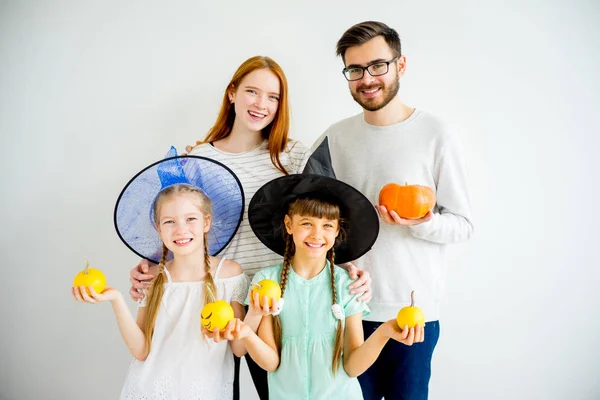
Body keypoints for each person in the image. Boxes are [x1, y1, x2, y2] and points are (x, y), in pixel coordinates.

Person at [128, 56, 374, 399]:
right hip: (216, 296)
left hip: (273, 302)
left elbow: (321, 217)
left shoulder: (292, 156)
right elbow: (181, 219)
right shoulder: (199, 157)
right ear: (232, 93)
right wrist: (154, 262)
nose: (261, 104)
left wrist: (347, 268)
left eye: (273, 97)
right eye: (252, 92)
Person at [306, 21, 474, 399]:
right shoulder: (335, 136)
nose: (367, 78)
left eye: (378, 65)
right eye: (354, 70)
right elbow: (307, 211)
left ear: (400, 65)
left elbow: (463, 224)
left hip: (411, 312)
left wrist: (422, 223)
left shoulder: (435, 133)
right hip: (346, 312)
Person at [209, 174, 424, 399]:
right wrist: (247, 334)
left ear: (337, 230)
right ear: (288, 224)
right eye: (306, 223)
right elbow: (271, 363)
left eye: (327, 225)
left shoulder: (347, 285)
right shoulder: (266, 282)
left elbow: (353, 367)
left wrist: (384, 332)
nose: (317, 234)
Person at [72, 151, 250, 399]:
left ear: (206, 222)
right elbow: (141, 350)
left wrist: (259, 312)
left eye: (191, 219)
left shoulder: (230, 274)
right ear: (158, 228)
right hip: (148, 390)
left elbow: (239, 348)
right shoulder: (153, 277)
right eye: (169, 222)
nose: (181, 229)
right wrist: (116, 300)